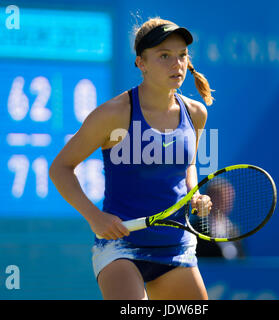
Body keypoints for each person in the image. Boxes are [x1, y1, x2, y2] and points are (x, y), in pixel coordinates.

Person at [49, 17, 214, 300]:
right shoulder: (113, 114)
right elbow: (60, 168)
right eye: (164, 56)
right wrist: (95, 217)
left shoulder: (196, 113)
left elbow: (187, 163)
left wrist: (194, 193)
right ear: (141, 63)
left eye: (182, 56)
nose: (177, 64)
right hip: (121, 247)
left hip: (177, 246)